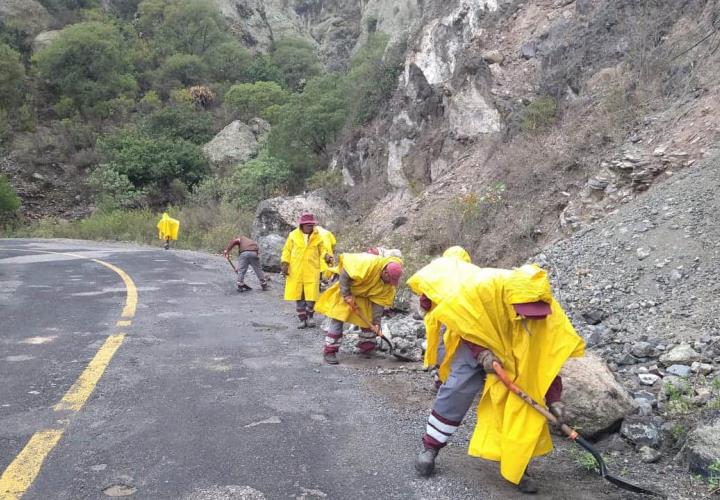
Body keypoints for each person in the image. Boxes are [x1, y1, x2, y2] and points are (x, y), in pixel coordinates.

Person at [409, 263, 585, 494]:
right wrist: (481, 353)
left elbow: (545, 361)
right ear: (509, 300)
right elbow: (465, 322)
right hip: (477, 337)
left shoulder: (548, 315)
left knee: (522, 403)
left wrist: (554, 399)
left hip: (512, 344)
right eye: (523, 311)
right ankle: (431, 447)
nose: (528, 317)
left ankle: (517, 466)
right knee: (457, 387)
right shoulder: (481, 289)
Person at [314, 252, 403, 365]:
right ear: (385, 272)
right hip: (347, 286)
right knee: (338, 318)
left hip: (365, 293)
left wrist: (376, 323)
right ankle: (330, 351)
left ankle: (367, 349)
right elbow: (345, 274)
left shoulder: (388, 284)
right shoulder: (367, 263)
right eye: (389, 280)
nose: (390, 283)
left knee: (369, 320)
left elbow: (379, 303)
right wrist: (346, 295)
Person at [410, 246, 472, 391]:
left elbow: (426, 294)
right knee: (463, 347)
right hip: (466, 317)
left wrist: (424, 309)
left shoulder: (437, 271)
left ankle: (442, 381)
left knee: (444, 345)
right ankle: (464, 377)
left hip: (443, 316)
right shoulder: (470, 272)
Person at [281, 213, 332, 329]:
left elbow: (323, 250)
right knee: (299, 296)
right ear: (302, 225)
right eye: (308, 225)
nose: (311, 227)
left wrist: (326, 256)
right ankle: (302, 319)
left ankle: (310, 317)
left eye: (312, 225)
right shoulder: (293, 235)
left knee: (311, 296)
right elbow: (286, 251)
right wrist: (284, 263)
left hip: (312, 270)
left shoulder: (318, 236)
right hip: (296, 270)